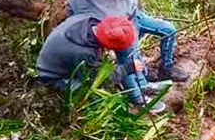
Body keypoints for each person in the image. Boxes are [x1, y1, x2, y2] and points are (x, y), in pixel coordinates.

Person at [36, 14, 166, 114]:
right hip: (54, 75)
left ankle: (141, 88)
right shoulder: (82, 53)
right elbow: (97, 79)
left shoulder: (89, 21)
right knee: (97, 98)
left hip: (61, 59)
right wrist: (127, 68)